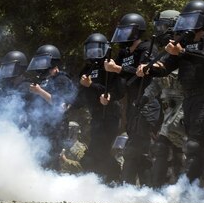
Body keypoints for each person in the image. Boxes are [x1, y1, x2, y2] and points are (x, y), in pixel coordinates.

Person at [138, 0, 204, 202]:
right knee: (201, 148)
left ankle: (188, 191)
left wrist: (181, 51)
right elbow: (167, 66)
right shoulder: (184, 44)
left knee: (195, 146)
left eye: (192, 19)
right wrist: (149, 68)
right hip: (191, 99)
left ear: (203, 21)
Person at [104, 13, 159, 185]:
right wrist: (109, 95)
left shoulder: (147, 48)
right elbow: (119, 82)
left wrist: (118, 69)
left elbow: (141, 73)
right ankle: (132, 189)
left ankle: (144, 189)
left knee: (141, 149)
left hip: (147, 103)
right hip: (132, 105)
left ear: (135, 32)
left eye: (125, 31)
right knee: (134, 148)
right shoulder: (123, 53)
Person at [141, 10, 186, 187]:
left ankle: (198, 191)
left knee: (189, 151)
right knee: (166, 150)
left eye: (162, 26)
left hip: (185, 109)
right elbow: (158, 83)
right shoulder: (165, 54)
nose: (158, 30)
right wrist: (145, 98)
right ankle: (162, 190)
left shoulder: (183, 51)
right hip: (169, 110)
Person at [75, 33, 123, 183]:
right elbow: (82, 94)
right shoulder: (85, 70)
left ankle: (114, 175)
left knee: (98, 150)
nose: (93, 54)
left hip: (110, 115)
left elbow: (117, 91)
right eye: (90, 50)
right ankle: (101, 182)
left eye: (96, 50)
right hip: (95, 115)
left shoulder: (108, 66)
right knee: (95, 152)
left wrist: (92, 85)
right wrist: (70, 104)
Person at [27, 44, 76, 170]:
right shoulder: (44, 81)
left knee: (53, 162)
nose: (40, 65)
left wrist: (39, 92)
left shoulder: (62, 79)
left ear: (52, 62)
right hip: (43, 127)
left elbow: (60, 106)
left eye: (43, 61)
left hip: (57, 129)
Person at [0, 50, 32, 129]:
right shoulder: (9, 87)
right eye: (6, 68)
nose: (7, 71)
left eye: (10, 68)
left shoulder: (26, 86)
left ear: (19, 68)